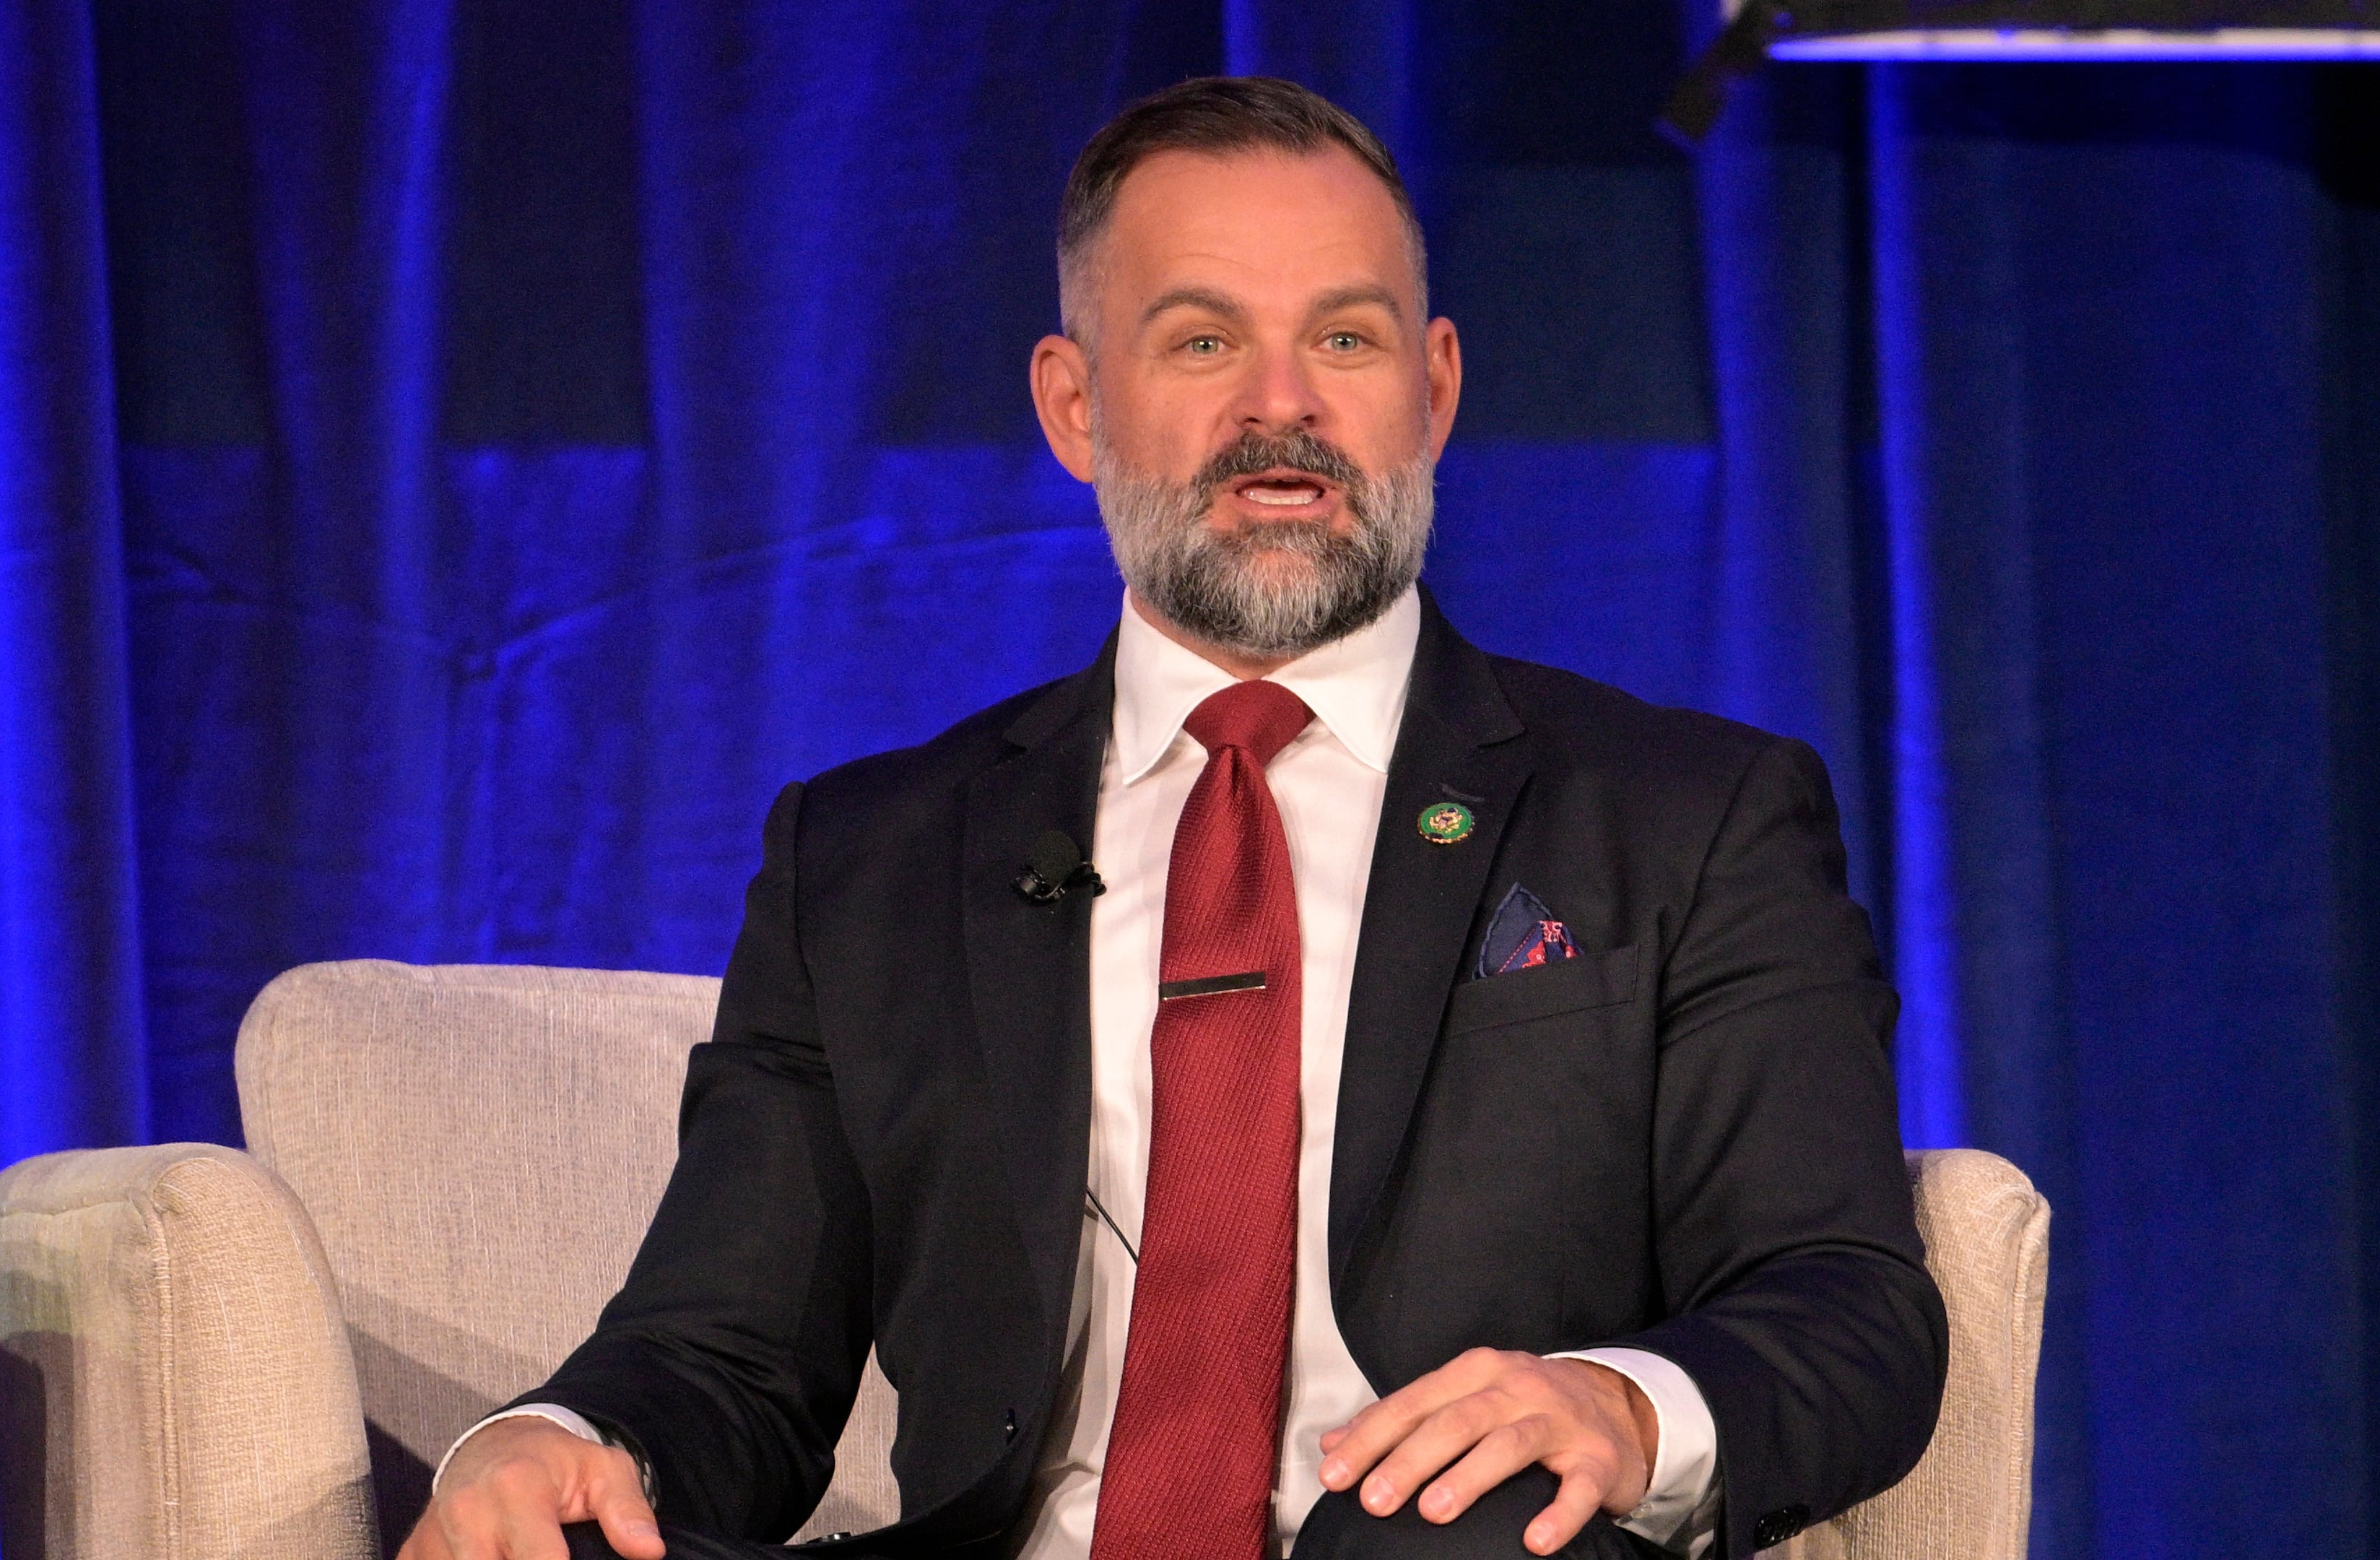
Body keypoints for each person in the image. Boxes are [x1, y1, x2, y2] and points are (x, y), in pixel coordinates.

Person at [400, 77, 1942, 1560]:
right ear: (1076, 406)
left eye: (1347, 336)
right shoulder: (866, 861)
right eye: (1203, 341)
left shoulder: (1689, 815)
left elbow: (1839, 1301)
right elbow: (727, 1361)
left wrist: (1611, 1404)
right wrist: (537, 1442)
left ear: (1437, 388)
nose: (1285, 408)